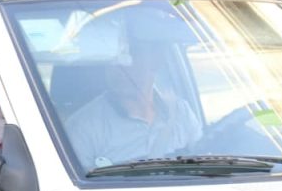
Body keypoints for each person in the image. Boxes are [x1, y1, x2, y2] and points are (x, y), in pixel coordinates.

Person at [64, 47, 201, 170]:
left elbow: (202, 161)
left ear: (156, 61)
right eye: (113, 59)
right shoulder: (83, 126)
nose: (119, 68)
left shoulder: (180, 112)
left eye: (129, 57)